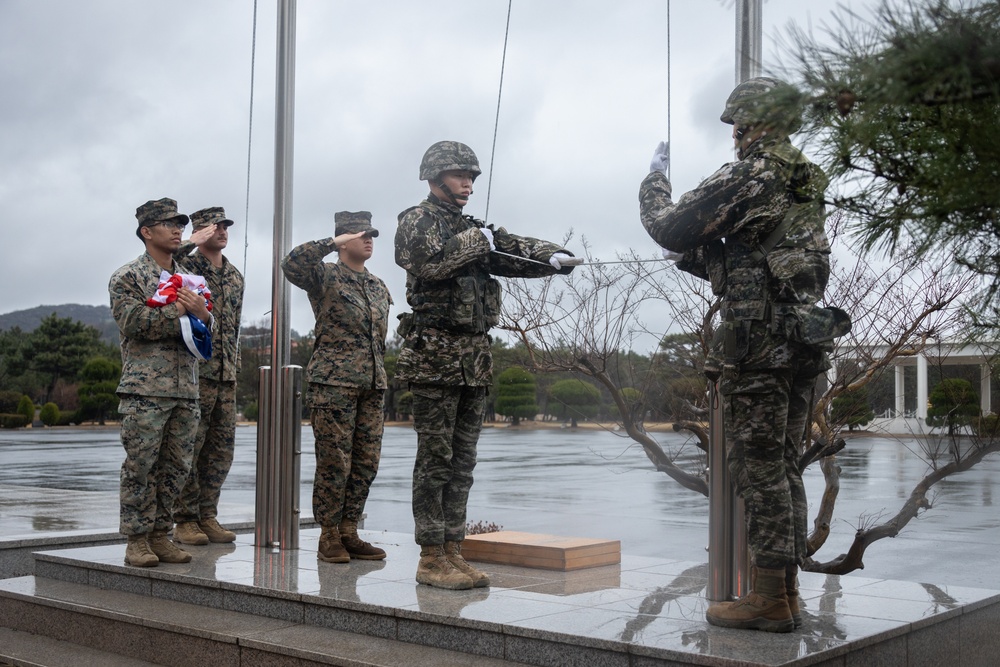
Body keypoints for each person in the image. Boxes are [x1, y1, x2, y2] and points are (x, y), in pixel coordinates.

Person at [639, 77, 847, 632]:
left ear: (750, 124)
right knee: (783, 466)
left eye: (737, 125)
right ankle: (789, 590)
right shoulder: (807, 175)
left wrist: (653, 182)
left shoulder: (753, 172)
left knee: (756, 470)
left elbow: (668, 226)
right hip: (805, 340)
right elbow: (757, 254)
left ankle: (768, 599)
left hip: (758, 345)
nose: (735, 136)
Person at [395, 140, 580, 590]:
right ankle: (430, 555)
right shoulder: (417, 221)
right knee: (435, 461)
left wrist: (552, 258)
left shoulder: (470, 227)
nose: (468, 184)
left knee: (463, 462)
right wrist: (480, 241)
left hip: (473, 361)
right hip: (434, 359)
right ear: (435, 177)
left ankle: (453, 550)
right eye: (461, 176)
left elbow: (509, 251)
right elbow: (428, 263)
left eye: (473, 177)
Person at [281, 211, 392, 564]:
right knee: (334, 462)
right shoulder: (325, 275)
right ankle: (328, 535)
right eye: (363, 234)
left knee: (365, 462)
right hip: (333, 383)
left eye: (373, 234)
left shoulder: (377, 285)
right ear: (344, 240)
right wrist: (330, 244)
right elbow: (292, 265)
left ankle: (349, 530)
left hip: (372, 384)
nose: (370, 239)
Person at [109, 197, 214, 567]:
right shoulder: (128, 277)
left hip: (186, 388)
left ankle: (160, 534)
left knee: (176, 468)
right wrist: (180, 308)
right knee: (142, 466)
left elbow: (203, 330)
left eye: (180, 223)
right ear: (146, 232)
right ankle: (137, 540)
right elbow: (136, 323)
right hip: (145, 390)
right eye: (168, 223)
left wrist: (202, 313)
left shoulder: (188, 279)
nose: (177, 229)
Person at [171, 207, 245, 546]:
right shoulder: (186, 267)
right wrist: (190, 241)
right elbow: (164, 263)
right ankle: (185, 519)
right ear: (201, 232)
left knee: (220, 451)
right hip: (196, 373)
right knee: (191, 447)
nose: (223, 231)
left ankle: (207, 514)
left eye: (225, 226)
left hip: (226, 373)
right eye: (215, 227)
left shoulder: (234, 275)